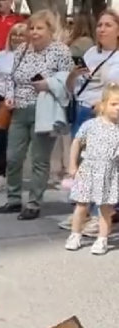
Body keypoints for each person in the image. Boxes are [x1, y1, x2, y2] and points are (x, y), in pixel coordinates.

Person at [0, 9, 72, 221]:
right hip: (19, 109)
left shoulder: (60, 51)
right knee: (13, 156)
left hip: (45, 109)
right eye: (32, 28)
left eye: (40, 28)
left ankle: (34, 203)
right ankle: (13, 198)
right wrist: (9, 97)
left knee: (39, 159)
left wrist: (48, 84)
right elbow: (11, 78)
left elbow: (69, 82)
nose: (34, 32)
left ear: (50, 30)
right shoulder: (22, 50)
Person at [65, 84, 119, 255]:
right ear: (103, 105)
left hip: (110, 172)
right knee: (81, 205)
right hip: (87, 169)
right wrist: (73, 165)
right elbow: (77, 142)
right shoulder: (90, 125)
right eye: (114, 104)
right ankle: (75, 234)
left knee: (105, 208)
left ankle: (102, 238)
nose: (117, 108)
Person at [0, 22, 26, 192]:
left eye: (21, 34)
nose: (17, 38)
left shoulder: (31, 57)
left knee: (18, 142)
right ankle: (0, 176)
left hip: (22, 101)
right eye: (15, 34)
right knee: (1, 139)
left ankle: (14, 176)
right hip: (1, 100)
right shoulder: (0, 56)